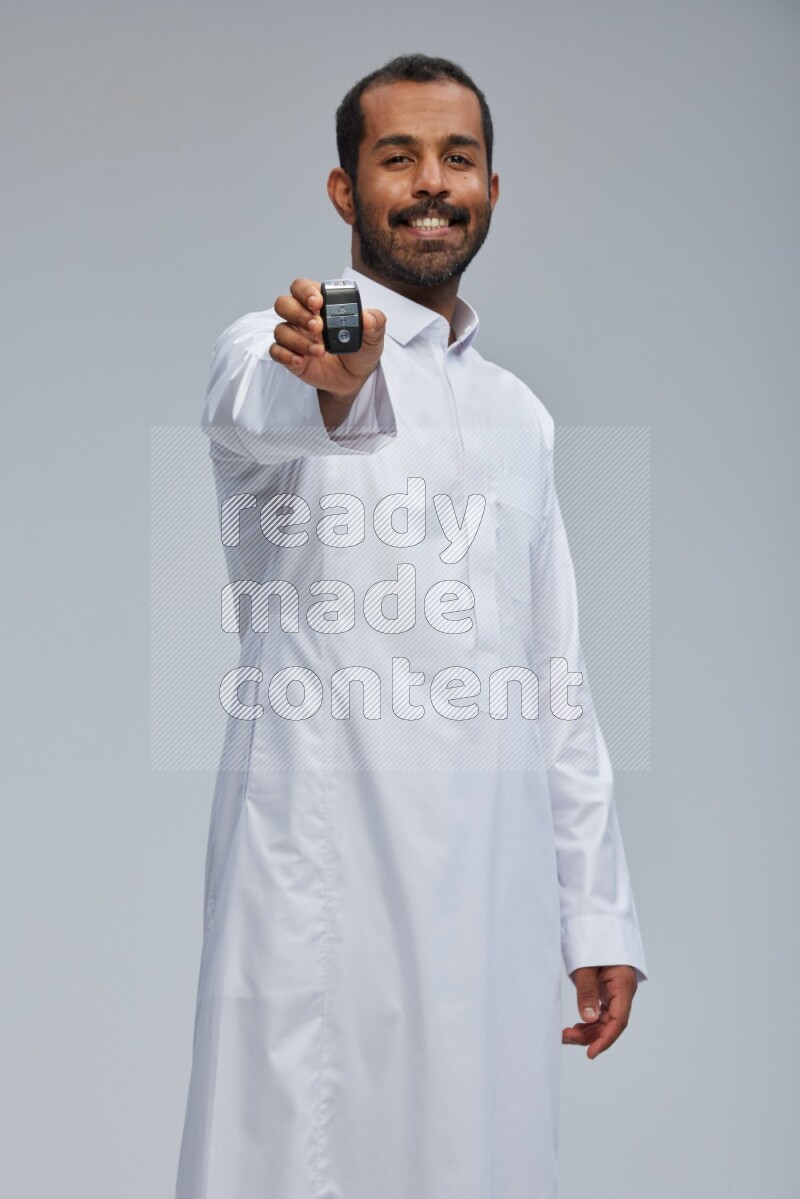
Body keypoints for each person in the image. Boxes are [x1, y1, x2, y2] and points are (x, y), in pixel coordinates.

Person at [175, 53, 648, 1199]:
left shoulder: (519, 417)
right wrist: (332, 381)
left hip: (490, 896)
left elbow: (553, 675)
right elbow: (269, 405)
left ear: (490, 187)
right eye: (398, 158)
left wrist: (596, 912)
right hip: (322, 890)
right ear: (345, 190)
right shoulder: (268, 347)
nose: (432, 182)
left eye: (457, 158)